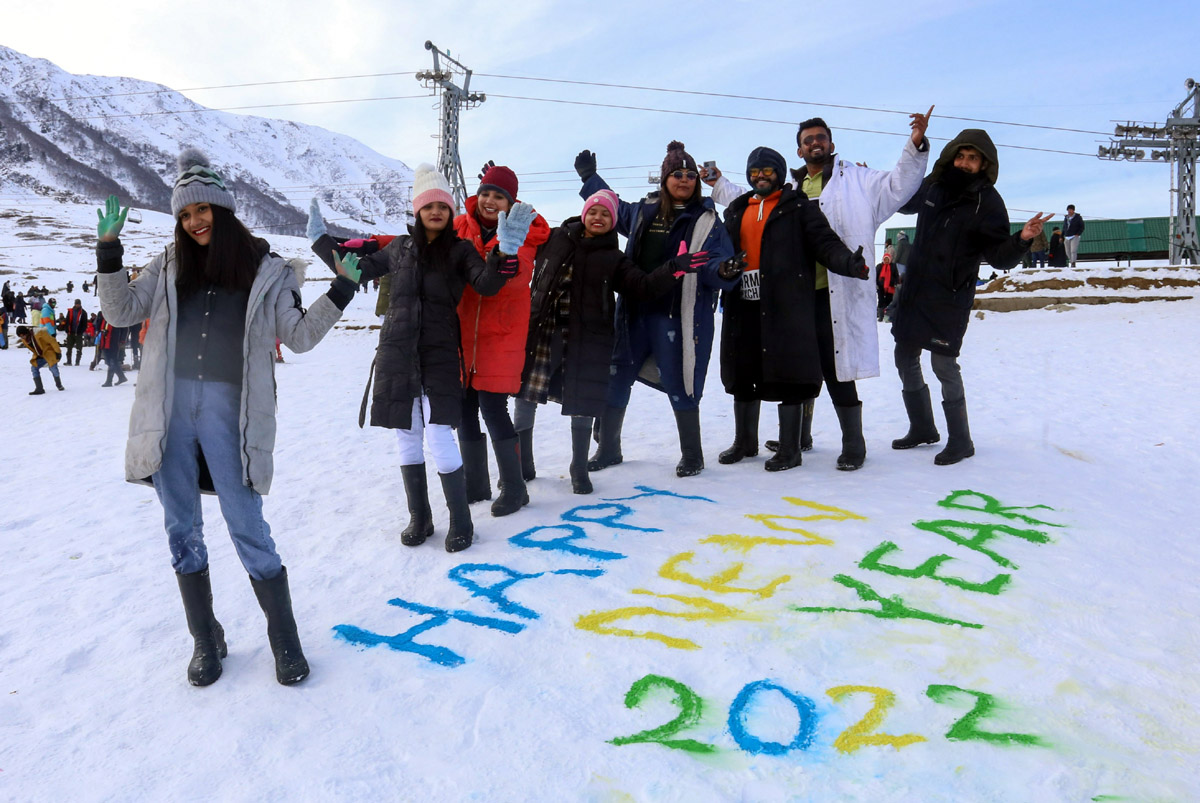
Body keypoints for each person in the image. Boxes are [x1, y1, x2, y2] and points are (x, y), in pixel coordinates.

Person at [95, 149, 358, 687]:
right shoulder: (168, 264)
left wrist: (342, 290)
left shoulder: (266, 271)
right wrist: (108, 251)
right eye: (185, 214)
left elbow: (299, 336)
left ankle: (284, 639)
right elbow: (120, 312)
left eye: (202, 210)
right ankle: (205, 639)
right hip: (168, 413)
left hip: (230, 414)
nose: (194, 221)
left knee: (247, 525)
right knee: (181, 529)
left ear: (222, 207)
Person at [307, 164, 529, 552]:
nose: (436, 212)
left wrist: (504, 253)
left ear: (449, 211)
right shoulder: (400, 248)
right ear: (418, 211)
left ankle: (461, 520)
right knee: (406, 436)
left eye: (443, 206)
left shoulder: (461, 251)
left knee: (439, 434)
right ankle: (420, 517)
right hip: (397, 351)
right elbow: (355, 271)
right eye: (429, 206)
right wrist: (323, 244)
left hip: (440, 353)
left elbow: (487, 284)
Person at [707, 110, 932, 469]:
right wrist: (719, 183)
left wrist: (915, 146)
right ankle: (799, 438)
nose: (815, 143)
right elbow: (751, 198)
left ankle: (853, 444)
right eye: (807, 139)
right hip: (793, 297)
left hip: (837, 290)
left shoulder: (859, 180)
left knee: (835, 366)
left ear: (830, 144)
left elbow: (898, 186)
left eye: (820, 137)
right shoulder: (789, 190)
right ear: (798, 151)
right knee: (795, 365)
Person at [515, 189, 707, 494]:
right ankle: (521, 466)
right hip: (543, 330)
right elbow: (521, 237)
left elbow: (642, 286)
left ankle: (578, 468)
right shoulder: (555, 238)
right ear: (584, 213)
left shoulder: (614, 259)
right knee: (526, 396)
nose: (598, 218)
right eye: (594, 211)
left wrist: (675, 267)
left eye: (606, 214)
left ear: (613, 221)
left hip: (586, 340)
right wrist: (504, 193)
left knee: (583, 402)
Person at [575, 141, 736, 477]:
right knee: (617, 377)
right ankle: (608, 449)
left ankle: (692, 454)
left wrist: (723, 272)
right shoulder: (644, 210)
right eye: (677, 173)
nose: (685, 179)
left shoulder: (707, 220)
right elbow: (611, 206)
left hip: (678, 314)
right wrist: (591, 179)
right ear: (664, 179)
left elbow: (714, 262)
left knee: (680, 381)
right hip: (634, 312)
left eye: (691, 174)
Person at [889, 130, 1051, 466]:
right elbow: (902, 200)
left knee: (943, 365)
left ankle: (961, 442)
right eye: (961, 156)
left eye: (972, 158)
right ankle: (922, 428)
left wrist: (1022, 238)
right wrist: (874, 182)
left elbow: (1000, 257)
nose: (964, 163)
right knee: (904, 356)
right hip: (917, 289)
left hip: (949, 296)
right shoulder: (935, 185)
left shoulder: (988, 202)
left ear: (983, 164)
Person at [716, 146, 870, 472]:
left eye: (767, 170)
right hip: (742, 302)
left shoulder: (798, 208)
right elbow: (718, 251)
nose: (760, 176)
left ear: (780, 174)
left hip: (785, 303)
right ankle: (745, 441)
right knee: (743, 369)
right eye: (755, 171)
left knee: (789, 372)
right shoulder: (736, 209)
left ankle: (791, 449)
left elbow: (825, 244)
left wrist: (849, 263)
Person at [454, 163, 551, 514]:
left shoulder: (522, 229)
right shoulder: (459, 226)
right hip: (463, 332)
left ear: (512, 203)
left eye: (499, 196)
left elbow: (521, 267)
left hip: (501, 333)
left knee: (493, 408)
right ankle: (475, 484)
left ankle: (514, 487)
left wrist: (506, 262)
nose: (490, 201)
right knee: (464, 406)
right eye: (486, 193)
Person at [16, 325, 65, 394]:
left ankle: (59, 385)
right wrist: (38, 354)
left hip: (49, 353)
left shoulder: (39, 333)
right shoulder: (25, 340)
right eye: (20, 336)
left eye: (22, 335)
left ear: (26, 333)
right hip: (40, 355)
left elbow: (52, 341)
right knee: (34, 368)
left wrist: (58, 352)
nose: (22, 338)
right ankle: (39, 388)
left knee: (53, 368)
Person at [62, 299, 89, 365]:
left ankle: (77, 362)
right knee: (69, 348)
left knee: (79, 348)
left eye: (78, 304)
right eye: (76, 304)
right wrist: (66, 329)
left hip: (78, 333)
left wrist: (81, 331)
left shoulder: (83, 313)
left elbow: (84, 324)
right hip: (70, 332)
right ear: (75, 304)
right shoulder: (70, 311)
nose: (77, 305)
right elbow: (67, 320)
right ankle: (69, 362)